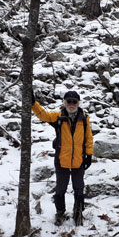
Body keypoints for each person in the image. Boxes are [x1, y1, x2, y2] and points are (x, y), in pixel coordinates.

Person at [32, 90, 94, 225]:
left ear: (78, 103)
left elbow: (88, 138)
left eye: (74, 102)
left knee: (79, 188)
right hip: (61, 160)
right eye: (69, 101)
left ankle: (78, 212)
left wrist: (89, 155)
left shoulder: (84, 119)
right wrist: (33, 104)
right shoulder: (58, 117)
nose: (71, 104)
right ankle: (60, 212)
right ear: (64, 103)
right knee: (61, 188)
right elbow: (43, 115)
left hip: (79, 160)